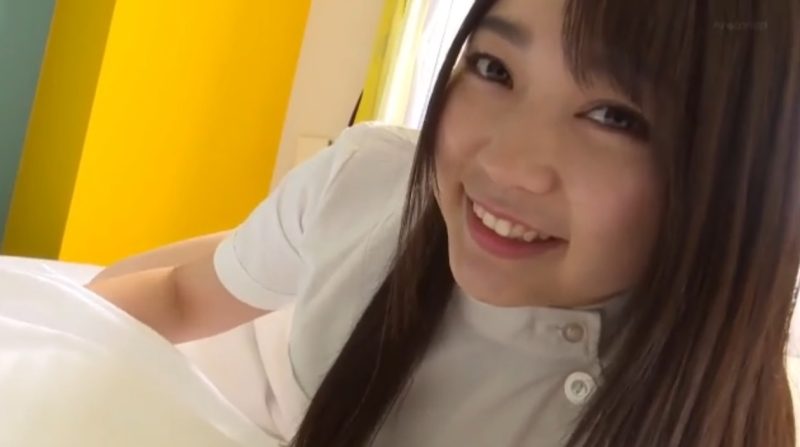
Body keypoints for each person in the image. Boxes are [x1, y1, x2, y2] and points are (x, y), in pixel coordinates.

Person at [88, 0, 800, 445]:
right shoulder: (369, 188)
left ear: (734, 176)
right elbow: (181, 292)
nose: (506, 163)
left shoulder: (712, 412)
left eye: (613, 116)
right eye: (494, 68)